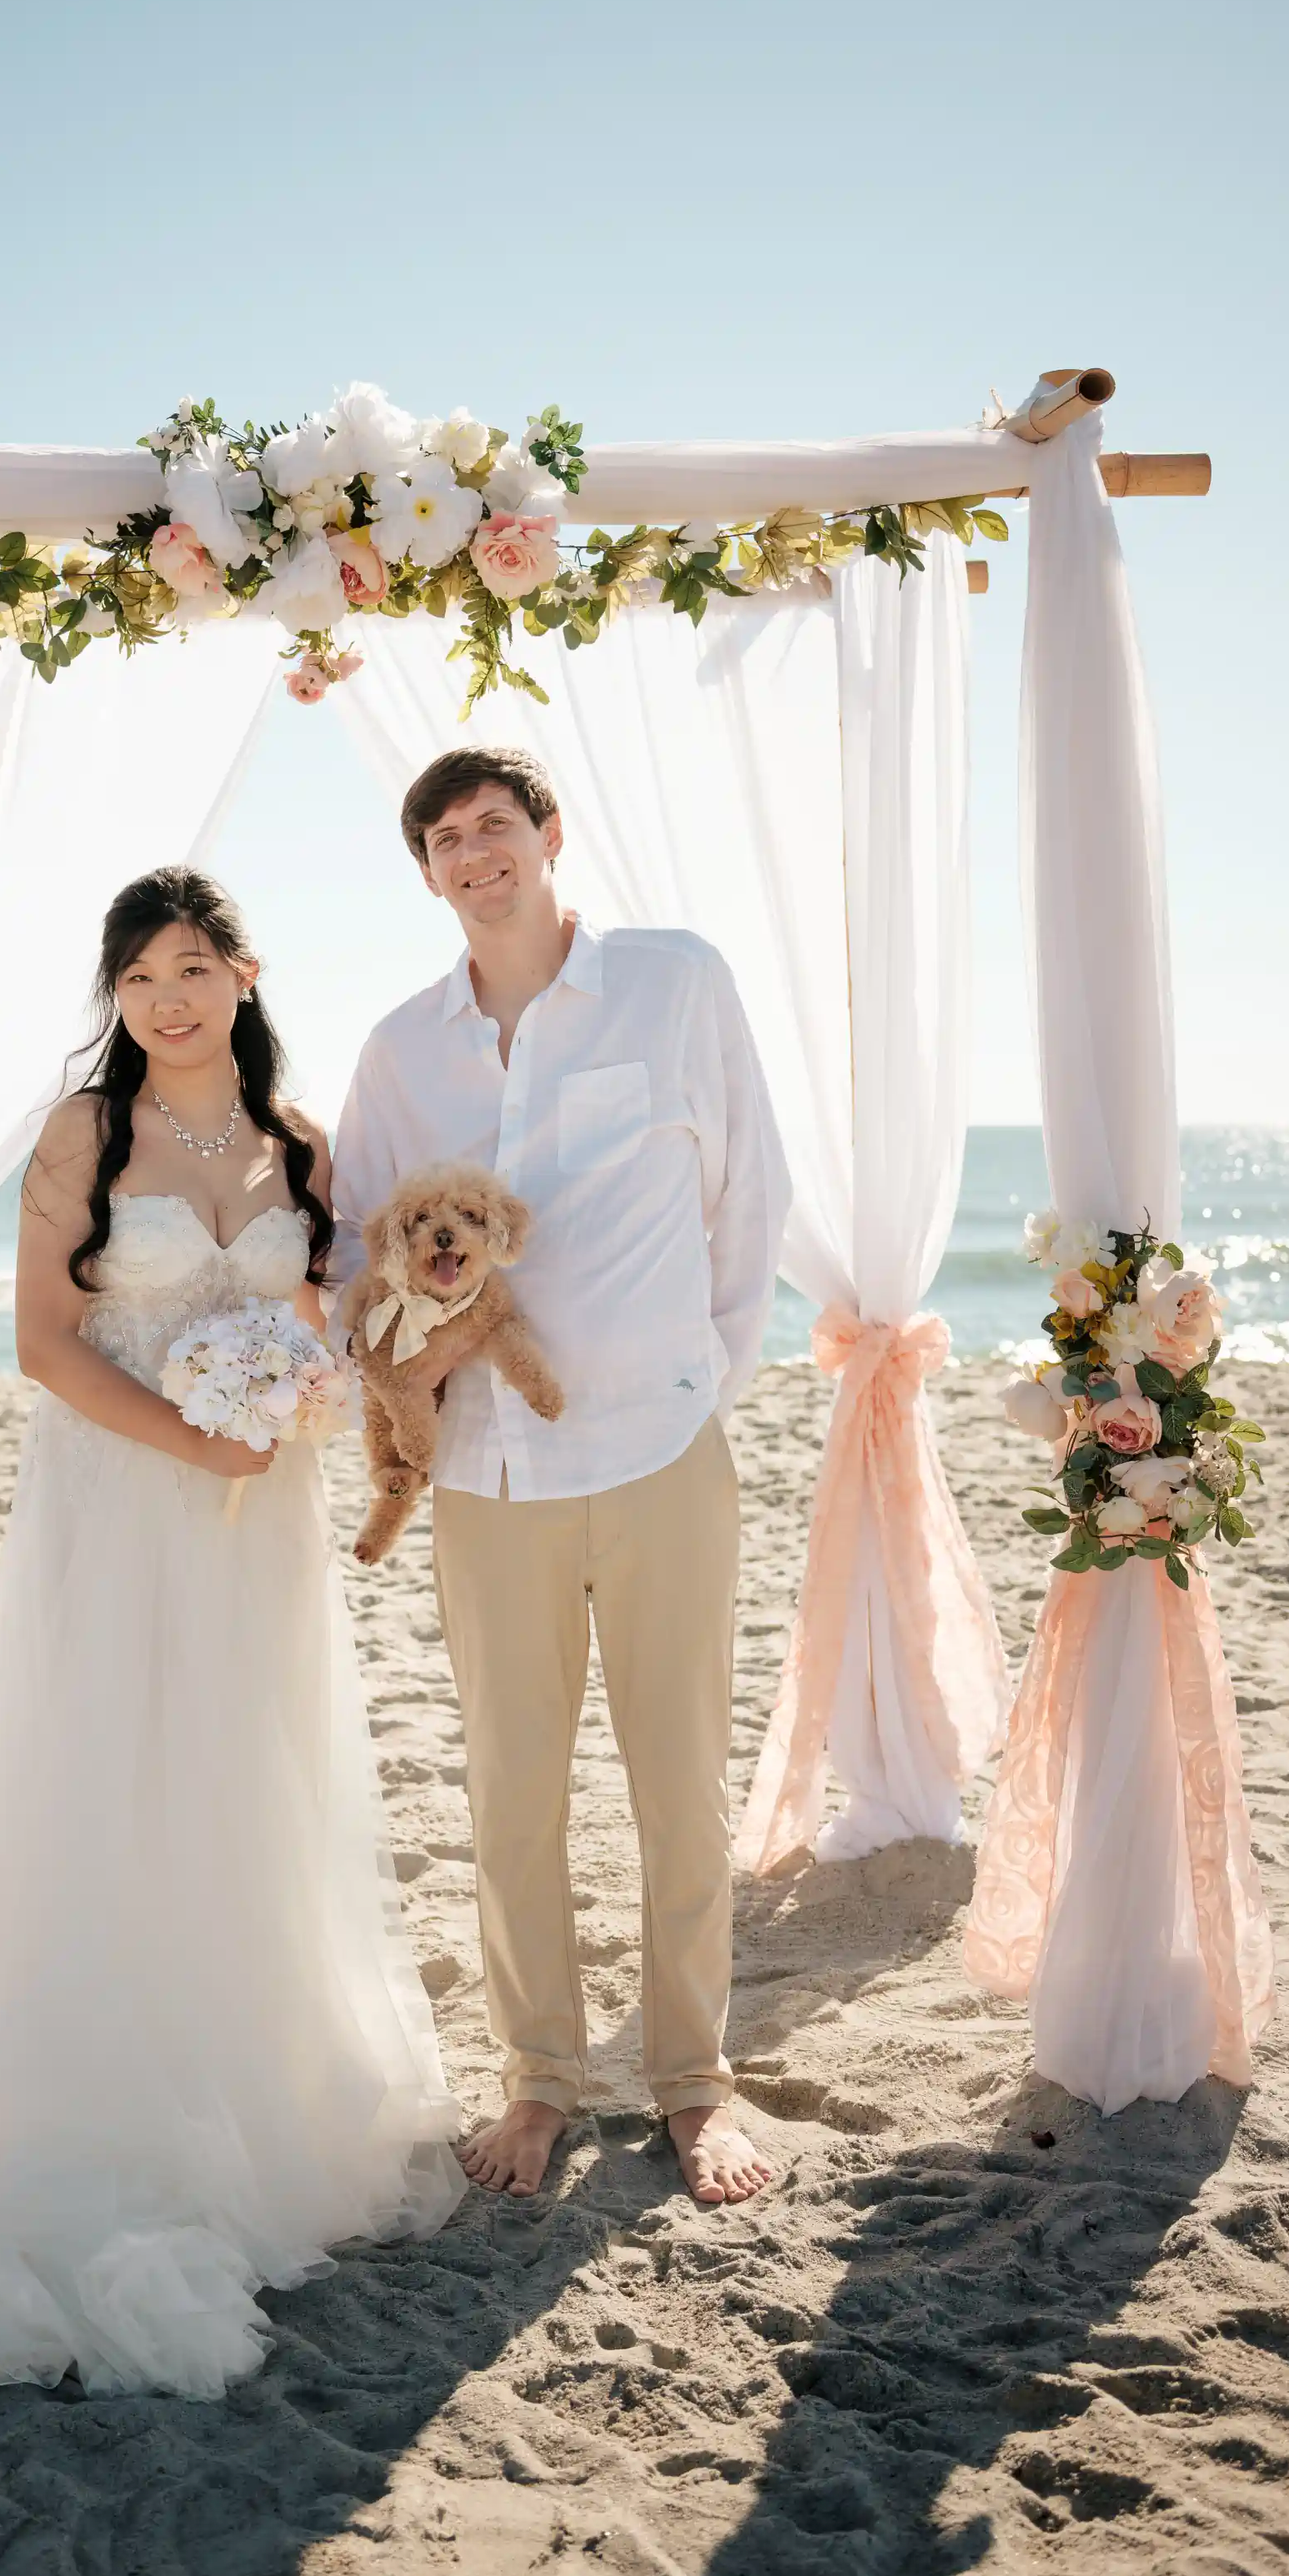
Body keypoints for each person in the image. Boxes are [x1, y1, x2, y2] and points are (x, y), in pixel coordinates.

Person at [0, 868, 461, 2398]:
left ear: (245, 973)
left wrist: (309, 1396)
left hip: (258, 1528)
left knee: (246, 1776)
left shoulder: (303, 1145)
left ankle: (251, 2089)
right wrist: (188, 1432)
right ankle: (106, 2107)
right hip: (119, 1503)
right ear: (118, 990)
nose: (171, 995)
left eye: (197, 966)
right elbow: (41, 1340)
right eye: (143, 972)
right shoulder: (82, 1133)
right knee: (110, 1779)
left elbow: (330, 1322)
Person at [331, 749, 791, 2207]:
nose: (476, 855)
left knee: (682, 1786)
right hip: (485, 1474)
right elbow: (359, 1244)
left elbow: (750, 1198)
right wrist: (414, 1365)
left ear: (549, 837)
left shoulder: (676, 983)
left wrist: (697, 1378)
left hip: (661, 1449)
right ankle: (538, 2079)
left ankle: (695, 2083)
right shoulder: (401, 1051)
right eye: (447, 840)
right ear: (427, 874)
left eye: (495, 826)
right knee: (511, 1792)